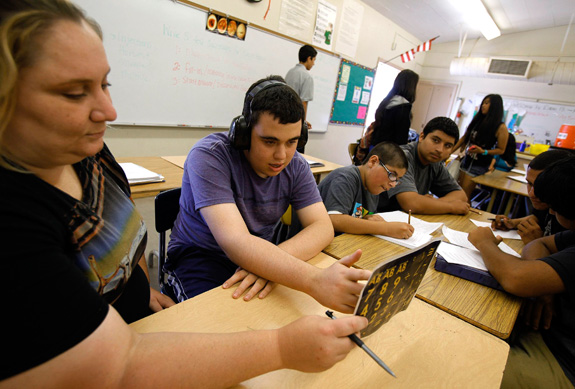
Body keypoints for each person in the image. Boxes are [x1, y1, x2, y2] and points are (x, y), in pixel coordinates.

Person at [0, 1, 369, 386]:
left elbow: (128, 241)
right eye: (75, 92)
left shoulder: (89, 154)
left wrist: (139, 292)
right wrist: (283, 343)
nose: (109, 110)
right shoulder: (14, 219)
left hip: (139, 316)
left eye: (105, 84)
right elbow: (117, 366)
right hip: (154, 310)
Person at [166, 75, 371, 310]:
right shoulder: (209, 156)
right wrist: (313, 279)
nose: (282, 156)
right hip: (201, 259)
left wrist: (272, 263)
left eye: (292, 142)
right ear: (242, 133)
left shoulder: (297, 166)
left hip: (260, 254)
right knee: (218, 326)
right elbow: (236, 242)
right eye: (269, 142)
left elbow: (323, 227)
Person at [468, 157, 575, 388]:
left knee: (468, 369)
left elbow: (515, 278)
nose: (550, 209)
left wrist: (485, 243)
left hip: (563, 362)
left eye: (555, 206)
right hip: (548, 333)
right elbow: (539, 245)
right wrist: (543, 285)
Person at [318, 142, 414, 239]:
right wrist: (386, 228)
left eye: (397, 180)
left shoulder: (374, 187)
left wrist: (367, 218)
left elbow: (356, 215)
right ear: (373, 162)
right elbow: (335, 220)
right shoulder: (344, 178)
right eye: (392, 175)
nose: (393, 184)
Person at [380, 117, 470, 215]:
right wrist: (452, 207)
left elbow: (461, 196)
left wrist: (429, 203)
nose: (440, 149)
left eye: (447, 146)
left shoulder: (435, 162)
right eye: (435, 140)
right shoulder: (401, 156)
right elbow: (411, 204)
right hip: (376, 218)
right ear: (422, 136)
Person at [491, 149, 570, 244]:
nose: (531, 194)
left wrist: (537, 243)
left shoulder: (568, 219)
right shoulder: (546, 204)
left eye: (540, 186)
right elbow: (538, 217)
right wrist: (512, 223)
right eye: (529, 183)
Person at [353, 69, 419, 165]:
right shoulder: (404, 107)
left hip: (374, 149)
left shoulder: (387, 101)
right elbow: (401, 140)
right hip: (386, 155)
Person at [453, 94, 509, 199]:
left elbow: (501, 150)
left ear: (494, 106)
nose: (483, 105)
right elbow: (465, 137)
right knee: (456, 192)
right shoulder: (477, 120)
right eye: (483, 102)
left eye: (487, 103)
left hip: (479, 166)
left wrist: (484, 151)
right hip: (466, 161)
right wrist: (451, 151)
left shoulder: (501, 127)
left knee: (464, 196)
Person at [285, 44, 317, 138]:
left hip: (284, 118)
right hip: (295, 122)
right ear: (309, 58)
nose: (313, 64)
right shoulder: (307, 77)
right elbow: (303, 103)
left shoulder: (290, 72)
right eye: (314, 60)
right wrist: (302, 122)